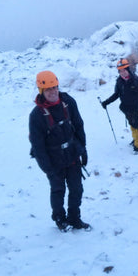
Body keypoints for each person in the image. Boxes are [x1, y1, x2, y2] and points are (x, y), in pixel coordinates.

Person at [29, 70, 90, 231]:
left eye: (55, 87)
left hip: (72, 154)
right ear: (41, 91)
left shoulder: (68, 102)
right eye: (48, 89)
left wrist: (83, 149)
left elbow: (78, 125)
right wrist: (47, 168)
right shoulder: (36, 116)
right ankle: (60, 219)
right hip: (53, 159)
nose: (53, 92)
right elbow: (37, 145)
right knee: (58, 191)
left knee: (77, 189)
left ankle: (74, 218)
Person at [100, 58, 138, 153]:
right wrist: (106, 102)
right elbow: (116, 94)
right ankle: (135, 139)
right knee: (132, 124)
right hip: (125, 108)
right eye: (120, 71)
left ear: (128, 69)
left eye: (124, 70)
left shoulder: (137, 80)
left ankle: (137, 145)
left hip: (136, 108)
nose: (122, 73)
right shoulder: (119, 81)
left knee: (136, 126)